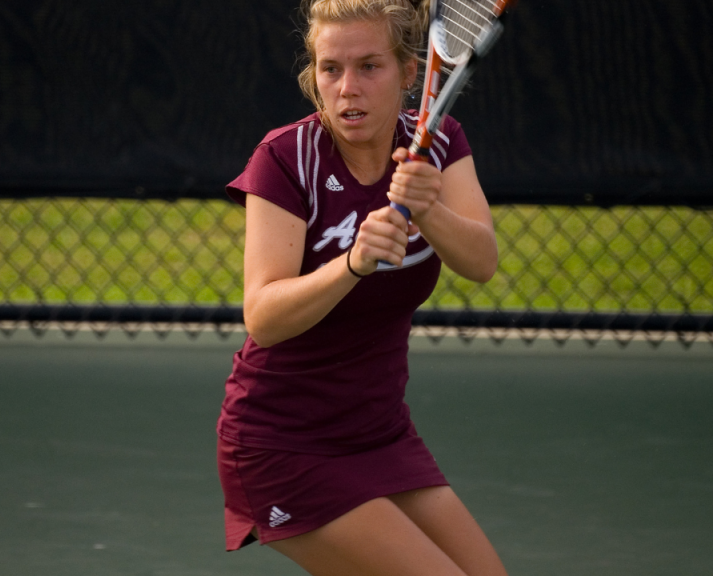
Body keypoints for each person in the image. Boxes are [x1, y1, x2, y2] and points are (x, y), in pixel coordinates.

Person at [216, 0, 505, 574]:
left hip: (378, 432)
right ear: (314, 75)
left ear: (408, 72)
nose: (348, 87)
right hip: (281, 443)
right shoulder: (284, 158)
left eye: (369, 66)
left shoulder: (440, 141)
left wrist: (431, 211)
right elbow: (263, 316)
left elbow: (482, 261)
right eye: (331, 68)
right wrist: (352, 263)